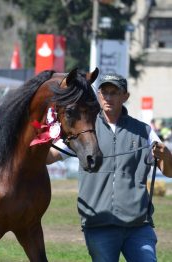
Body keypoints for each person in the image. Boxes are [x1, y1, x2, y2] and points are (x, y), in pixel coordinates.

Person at [47, 73, 172, 262]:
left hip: (138, 226)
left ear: (125, 96)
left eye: (114, 92)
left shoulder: (144, 131)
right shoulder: (85, 130)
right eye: (104, 92)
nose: (108, 98)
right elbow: (50, 157)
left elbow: (169, 171)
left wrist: (166, 156)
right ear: (98, 95)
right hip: (99, 226)